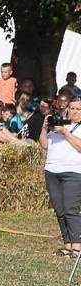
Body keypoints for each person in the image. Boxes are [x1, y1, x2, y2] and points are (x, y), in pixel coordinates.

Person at [43, 98, 81, 257]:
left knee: (71, 209)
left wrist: (65, 133)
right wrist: (45, 127)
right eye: (72, 108)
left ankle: (77, 247)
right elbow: (44, 144)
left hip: (73, 171)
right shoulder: (59, 125)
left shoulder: (68, 129)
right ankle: (67, 245)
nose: (74, 111)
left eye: (78, 109)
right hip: (52, 170)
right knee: (59, 209)